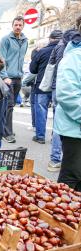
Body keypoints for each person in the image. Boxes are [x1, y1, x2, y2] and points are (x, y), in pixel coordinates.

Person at [53, 16, 81, 191]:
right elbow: (67, 95)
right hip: (75, 131)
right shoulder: (73, 58)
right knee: (72, 177)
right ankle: (59, 218)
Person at [47, 28, 78, 171]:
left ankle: (55, 159)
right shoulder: (73, 55)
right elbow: (67, 95)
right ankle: (56, 159)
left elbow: (50, 65)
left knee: (58, 123)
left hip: (55, 86)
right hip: (61, 90)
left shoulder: (59, 48)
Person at [0, 16, 28, 143]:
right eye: (16, 25)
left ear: (23, 26)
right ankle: (6, 133)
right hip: (8, 78)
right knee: (8, 105)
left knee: (11, 105)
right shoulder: (6, 39)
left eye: (20, 25)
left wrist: (21, 74)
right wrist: (4, 76)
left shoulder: (25, 40)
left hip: (18, 77)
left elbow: (22, 58)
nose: (18, 27)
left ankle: (5, 128)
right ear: (12, 25)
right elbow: (1, 59)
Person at [30, 30, 62, 145]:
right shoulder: (65, 50)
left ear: (50, 39)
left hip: (41, 86)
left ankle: (40, 137)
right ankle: (56, 138)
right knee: (57, 112)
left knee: (41, 110)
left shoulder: (42, 51)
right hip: (58, 86)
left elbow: (32, 69)